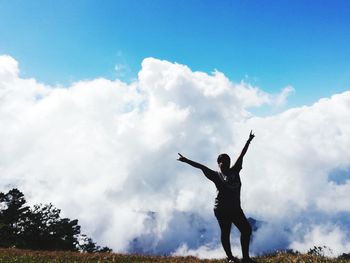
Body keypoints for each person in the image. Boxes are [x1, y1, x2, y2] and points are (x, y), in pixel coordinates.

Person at [177, 131, 256, 263]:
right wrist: (186, 160)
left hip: (236, 208)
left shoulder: (235, 170)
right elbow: (200, 167)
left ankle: (246, 258)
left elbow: (242, 154)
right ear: (218, 163)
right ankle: (230, 258)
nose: (225, 164)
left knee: (246, 230)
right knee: (226, 233)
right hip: (221, 209)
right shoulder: (215, 175)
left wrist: (249, 140)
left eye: (227, 161)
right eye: (223, 162)